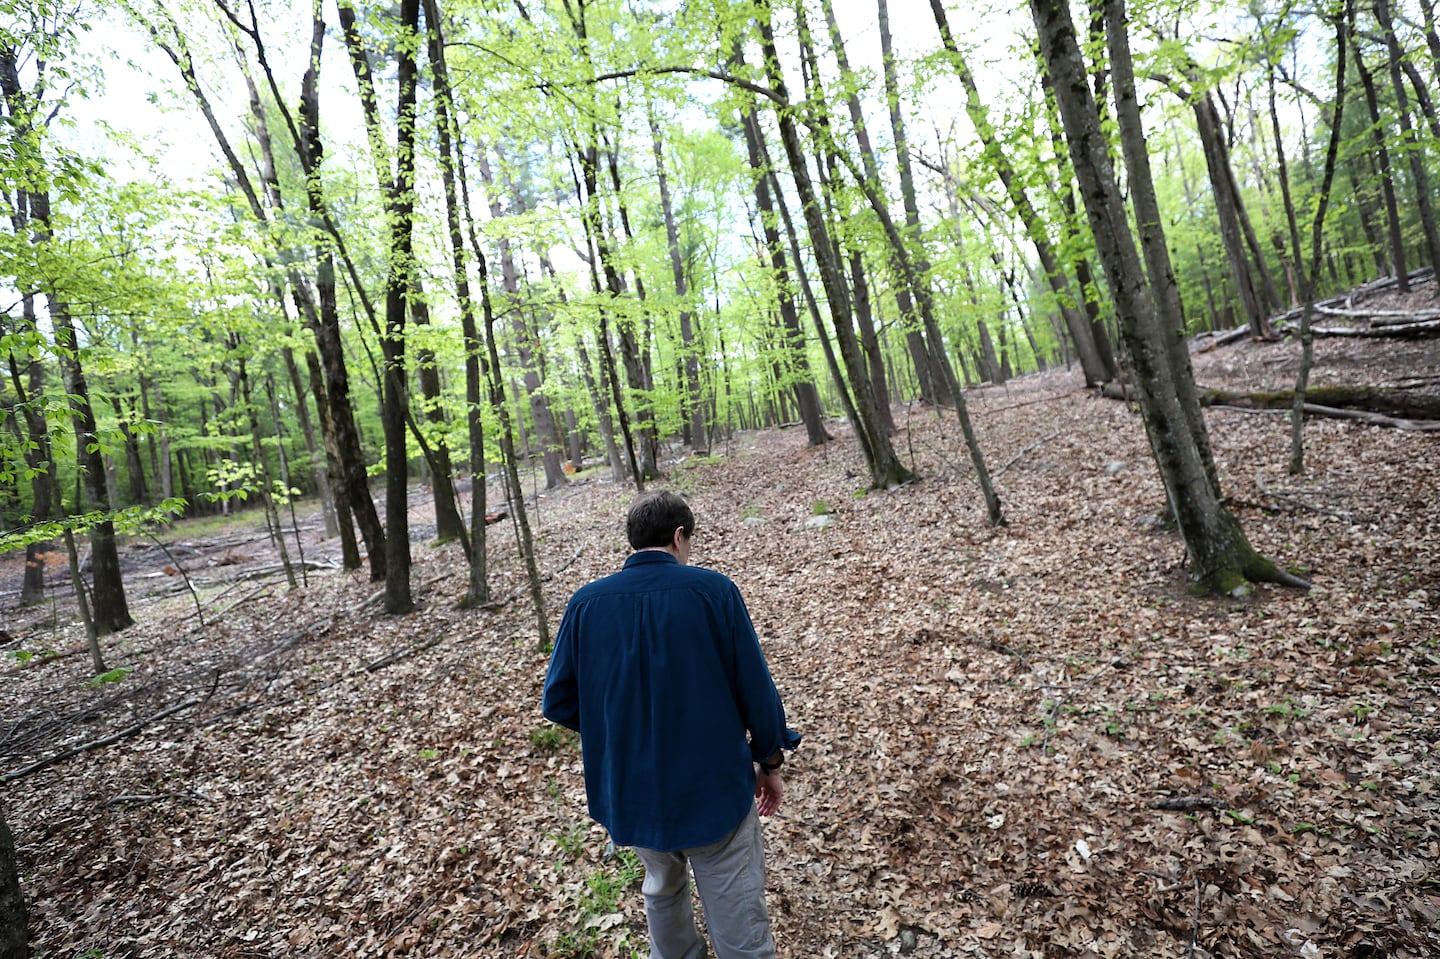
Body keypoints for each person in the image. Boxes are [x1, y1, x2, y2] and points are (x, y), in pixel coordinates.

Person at [542, 490, 800, 959]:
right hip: (714, 787)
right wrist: (770, 760)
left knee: (661, 889)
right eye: (689, 543)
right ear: (679, 537)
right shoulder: (712, 591)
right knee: (735, 904)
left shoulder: (585, 604)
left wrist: (620, 730)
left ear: (633, 541)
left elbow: (559, 700)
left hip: (630, 792)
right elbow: (756, 690)